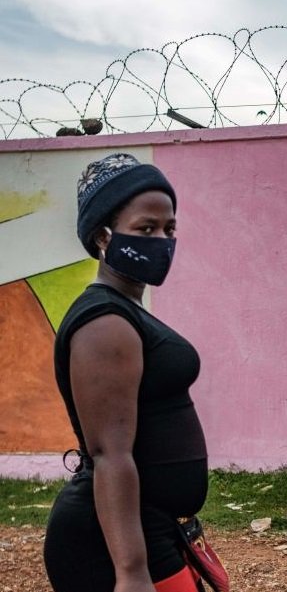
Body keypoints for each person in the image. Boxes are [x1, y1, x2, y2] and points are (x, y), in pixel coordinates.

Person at [44, 153, 209, 592]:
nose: (163, 240)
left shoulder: (125, 310)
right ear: (103, 237)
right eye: (146, 229)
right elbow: (110, 455)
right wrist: (131, 573)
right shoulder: (104, 322)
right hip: (111, 542)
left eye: (169, 229)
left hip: (151, 526)